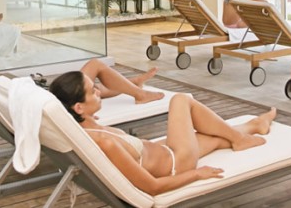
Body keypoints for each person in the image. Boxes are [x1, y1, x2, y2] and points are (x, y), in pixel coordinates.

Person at [49, 71, 276, 195]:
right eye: (93, 91)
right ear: (78, 107)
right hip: (178, 161)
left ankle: (255, 125)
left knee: (216, 138)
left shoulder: (83, 126)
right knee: (181, 100)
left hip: (165, 149)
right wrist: (197, 174)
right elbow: (152, 187)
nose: (99, 91)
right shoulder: (104, 142)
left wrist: (89, 117)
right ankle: (241, 138)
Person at [0, 50, 165, 104]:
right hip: (57, 100)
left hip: (51, 95)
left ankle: (132, 84)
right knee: (95, 65)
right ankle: (139, 94)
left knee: (94, 89)